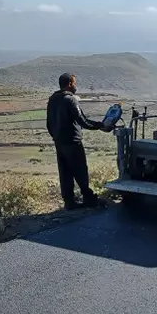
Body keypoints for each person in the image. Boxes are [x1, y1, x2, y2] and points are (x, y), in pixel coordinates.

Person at [46, 72, 112, 210]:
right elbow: (82, 121)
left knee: (65, 172)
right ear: (69, 84)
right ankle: (89, 198)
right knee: (80, 170)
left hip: (59, 142)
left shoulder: (53, 99)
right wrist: (101, 125)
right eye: (75, 83)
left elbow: (49, 124)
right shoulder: (70, 100)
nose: (76, 86)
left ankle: (69, 202)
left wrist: (56, 137)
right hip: (72, 142)